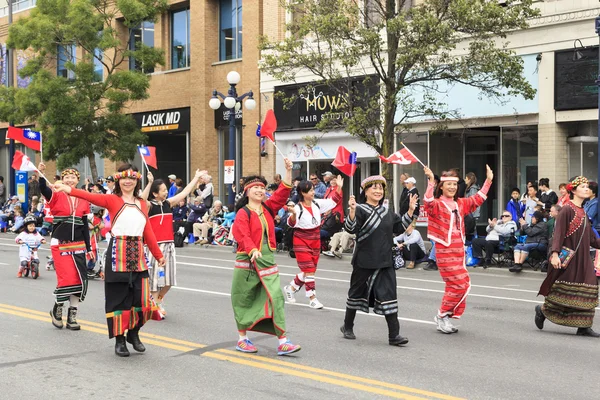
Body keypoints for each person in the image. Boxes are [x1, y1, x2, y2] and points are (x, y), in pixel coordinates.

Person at [53, 164, 166, 357]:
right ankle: (120, 340)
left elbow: (147, 230)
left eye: (131, 178)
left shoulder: (141, 203)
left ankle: (134, 333)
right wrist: (68, 189)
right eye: (124, 179)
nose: (128, 182)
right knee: (118, 300)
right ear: (118, 181)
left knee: (142, 301)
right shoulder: (112, 200)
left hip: (138, 255)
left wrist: (158, 254)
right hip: (118, 254)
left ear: (136, 181)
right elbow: (90, 197)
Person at [231, 157, 301, 355]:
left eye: (262, 188)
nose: (260, 191)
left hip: (267, 260)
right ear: (247, 192)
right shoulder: (243, 213)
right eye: (256, 188)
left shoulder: (268, 208)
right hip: (247, 261)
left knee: (276, 297)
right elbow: (241, 234)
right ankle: (242, 339)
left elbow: (282, 192)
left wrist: (288, 171)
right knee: (243, 298)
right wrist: (252, 249)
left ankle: (283, 341)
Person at [341, 176, 416, 346]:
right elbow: (351, 229)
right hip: (364, 261)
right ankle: (347, 326)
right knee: (355, 293)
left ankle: (394, 335)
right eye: (374, 188)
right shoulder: (359, 209)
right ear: (365, 191)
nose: (378, 191)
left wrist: (410, 211)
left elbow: (399, 228)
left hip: (385, 261)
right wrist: (352, 211)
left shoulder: (387, 212)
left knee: (389, 295)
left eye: (380, 188)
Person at [423, 164, 493, 334]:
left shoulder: (460, 203)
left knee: (459, 285)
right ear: (442, 186)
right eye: (449, 184)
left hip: (459, 251)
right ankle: (441, 315)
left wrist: (489, 181)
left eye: (455, 184)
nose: (452, 187)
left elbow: (478, 199)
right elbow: (428, 203)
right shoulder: (437, 204)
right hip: (445, 251)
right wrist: (431, 182)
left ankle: (445, 316)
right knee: (459, 285)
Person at [536, 176, 600, 337]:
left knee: (589, 289)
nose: (587, 189)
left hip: (584, 259)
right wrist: (555, 254)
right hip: (569, 259)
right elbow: (558, 234)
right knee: (564, 292)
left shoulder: (583, 212)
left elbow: (592, 239)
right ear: (573, 190)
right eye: (583, 186)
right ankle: (543, 311)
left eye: (587, 186)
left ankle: (584, 326)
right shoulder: (567, 209)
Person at [141, 169, 205, 318]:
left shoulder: (168, 204)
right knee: (155, 279)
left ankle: (158, 299)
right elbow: (141, 200)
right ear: (155, 193)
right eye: (163, 190)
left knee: (169, 280)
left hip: (169, 245)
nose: (166, 192)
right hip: (154, 247)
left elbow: (184, 193)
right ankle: (155, 306)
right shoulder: (150, 206)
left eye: (165, 189)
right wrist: (150, 182)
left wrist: (195, 178)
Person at [38, 163, 92, 331]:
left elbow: (84, 224)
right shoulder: (55, 194)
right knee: (67, 278)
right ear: (62, 180)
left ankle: (72, 316)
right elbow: (43, 189)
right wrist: (41, 174)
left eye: (73, 178)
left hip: (79, 244)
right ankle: (57, 308)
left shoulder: (83, 198)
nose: (70, 180)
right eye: (66, 177)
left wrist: (89, 248)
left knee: (80, 280)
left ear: (77, 181)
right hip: (60, 243)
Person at [283, 175, 343, 309]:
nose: (313, 192)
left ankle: (291, 288)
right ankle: (312, 298)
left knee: (309, 271)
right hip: (301, 240)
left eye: (313, 189)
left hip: (315, 239)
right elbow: (291, 223)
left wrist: (339, 187)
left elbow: (334, 200)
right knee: (309, 270)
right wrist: (292, 214)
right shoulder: (297, 208)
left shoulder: (317, 203)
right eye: (310, 190)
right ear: (303, 193)